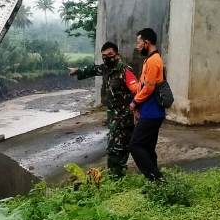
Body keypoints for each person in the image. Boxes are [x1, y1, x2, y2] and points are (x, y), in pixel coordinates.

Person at [69, 42, 139, 179]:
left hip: (124, 118)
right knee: (116, 149)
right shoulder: (106, 68)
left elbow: (137, 91)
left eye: (110, 55)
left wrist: (137, 110)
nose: (107, 58)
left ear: (117, 55)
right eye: (104, 56)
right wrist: (77, 71)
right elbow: (93, 69)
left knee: (117, 150)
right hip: (114, 118)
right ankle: (117, 178)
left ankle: (116, 179)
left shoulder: (125, 70)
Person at [128, 28, 166, 181]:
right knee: (148, 148)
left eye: (139, 42)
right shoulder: (150, 60)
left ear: (146, 42)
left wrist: (134, 102)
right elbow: (142, 85)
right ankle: (156, 184)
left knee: (135, 145)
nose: (137, 46)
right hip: (150, 111)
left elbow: (149, 87)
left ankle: (156, 179)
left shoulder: (153, 61)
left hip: (152, 112)